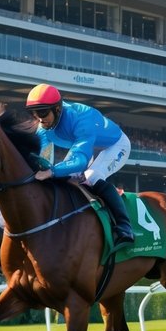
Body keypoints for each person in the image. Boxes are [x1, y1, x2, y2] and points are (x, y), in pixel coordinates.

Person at [26, 84, 134, 249]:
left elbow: (80, 161)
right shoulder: (43, 128)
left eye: (43, 112)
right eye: (35, 112)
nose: (39, 118)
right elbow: (42, 159)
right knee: (65, 177)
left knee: (91, 176)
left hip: (114, 145)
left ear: (57, 109)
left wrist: (52, 171)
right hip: (87, 145)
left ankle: (125, 227)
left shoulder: (80, 117)